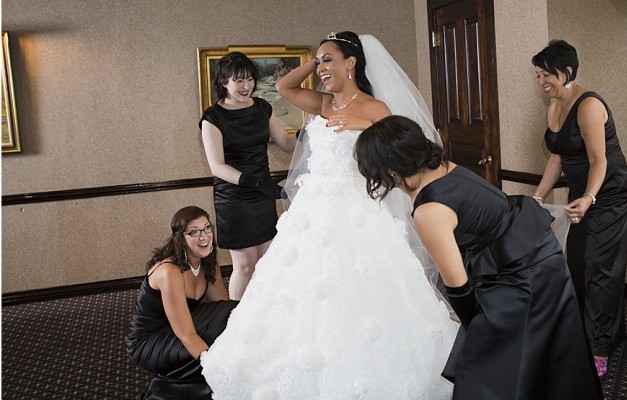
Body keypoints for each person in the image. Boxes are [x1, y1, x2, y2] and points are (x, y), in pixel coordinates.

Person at [200, 32, 458, 399]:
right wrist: (316, 60)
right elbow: (285, 86)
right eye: (319, 61)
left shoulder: (375, 107)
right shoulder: (322, 103)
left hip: (356, 209)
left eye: (329, 60)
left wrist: (364, 126)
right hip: (312, 209)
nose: (321, 68)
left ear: (351, 62)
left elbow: (398, 146)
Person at [354, 115, 604, 400]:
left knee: (487, 369)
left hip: (521, 278)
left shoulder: (428, 211)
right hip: (544, 256)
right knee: (551, 357)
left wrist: (477, 330)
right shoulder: (446, 168)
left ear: (389, 168)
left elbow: (459, 287)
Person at [531, 39, 627, 380]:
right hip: (583, 194)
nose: (542, 81)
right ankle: (585, 335)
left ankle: (600, 347)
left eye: (547, 74)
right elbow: (557, 159)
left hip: (610, 194)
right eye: (537, 75)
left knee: (599, 267)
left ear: (567, 72)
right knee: (577, 263)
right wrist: (537, 197)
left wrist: (590, 197)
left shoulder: (589, 105)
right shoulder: (554, 107)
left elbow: (598, 160)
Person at [199, 51, 296, 300]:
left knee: (267, 262)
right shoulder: (213, 117)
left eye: (250, 79)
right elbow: (217, 167)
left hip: (262, 195)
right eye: (239, 80)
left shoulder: (262, 107)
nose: (246, 86)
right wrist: (258, 183)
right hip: (234, 198)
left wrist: (312, 131)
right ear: (224, 82)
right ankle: (236, 318)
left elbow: (286, 143)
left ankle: (264, 313)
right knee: (245, 265)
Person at [125, 206, 239, 399]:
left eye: (207, 228)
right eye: (194, 232)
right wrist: (216, 370)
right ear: (181, 238)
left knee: (232, 313)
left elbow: (223, 309)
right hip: (148, 343)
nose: (204, 236)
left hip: (178, 329)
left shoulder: (209, 264)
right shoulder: (169, 271)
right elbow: (186, 334)